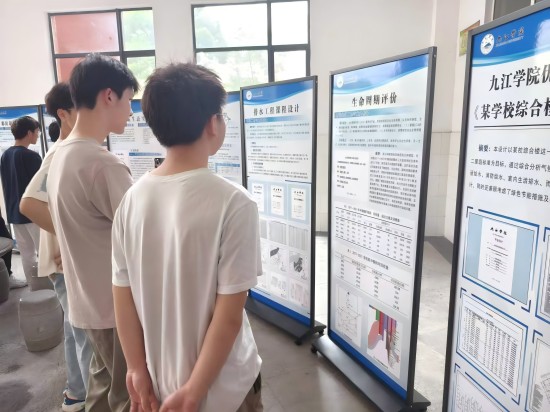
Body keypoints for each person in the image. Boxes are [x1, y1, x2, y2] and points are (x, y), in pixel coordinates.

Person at [112, 63, 263, 412]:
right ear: (212, 124)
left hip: (160, 382)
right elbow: (229, 316)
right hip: (224, 387)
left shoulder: (131, 200)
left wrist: (136, 368)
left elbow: (122, 295)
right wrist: (196, 390)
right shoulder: (234, 202)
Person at [47, 53, 137, 412]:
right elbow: (141, 241)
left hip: (87, 303)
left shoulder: (61, 154)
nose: (130, 111)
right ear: (109, 96)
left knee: (101, 387)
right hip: (115, 311)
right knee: (129, 396)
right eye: (128, 100)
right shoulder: (102, 164)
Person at [20, 82, 93, 412]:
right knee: (86, 335)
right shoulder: (62, 151)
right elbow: (29, 204)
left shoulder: (67, 148)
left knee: (75, 329)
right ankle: (89, 398)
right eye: (83, 107)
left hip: (63, 263)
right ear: (64, 114)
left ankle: (76, 392)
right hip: (66, 263)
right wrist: (73, 240)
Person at [0, 115, 42, 287]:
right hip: (34, 214)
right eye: (37, 131)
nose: (38, 135)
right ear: (29, 133)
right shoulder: (32, 157)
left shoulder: (5, 155)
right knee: (44, 252)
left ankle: (33, 286)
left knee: (27, 253)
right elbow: (41, 188)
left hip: (14, 213)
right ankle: (49, 288)